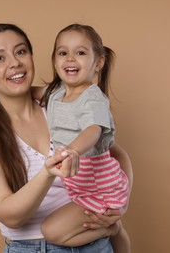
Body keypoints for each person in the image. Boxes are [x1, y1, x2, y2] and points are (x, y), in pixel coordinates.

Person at [0, 23, 133, 253]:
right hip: (33, 247)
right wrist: (48, 172)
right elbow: (9, 215)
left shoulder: (60, 105)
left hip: (94, 243)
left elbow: (115, 154)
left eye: (21, 51)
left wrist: (119, 207)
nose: (14, 62)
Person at [29, 24, 131, 252]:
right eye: (63, 53)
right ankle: (115, 231)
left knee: (52, 232)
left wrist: (73, 150)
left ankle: (111, 229)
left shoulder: (92, 98)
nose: (70, 59)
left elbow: (93, 130)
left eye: (80, 53)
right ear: (55, 62)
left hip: (99, 186)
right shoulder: (55, 94)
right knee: (55, 230)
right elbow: (28, 92)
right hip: (80, 185)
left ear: (98, 63)